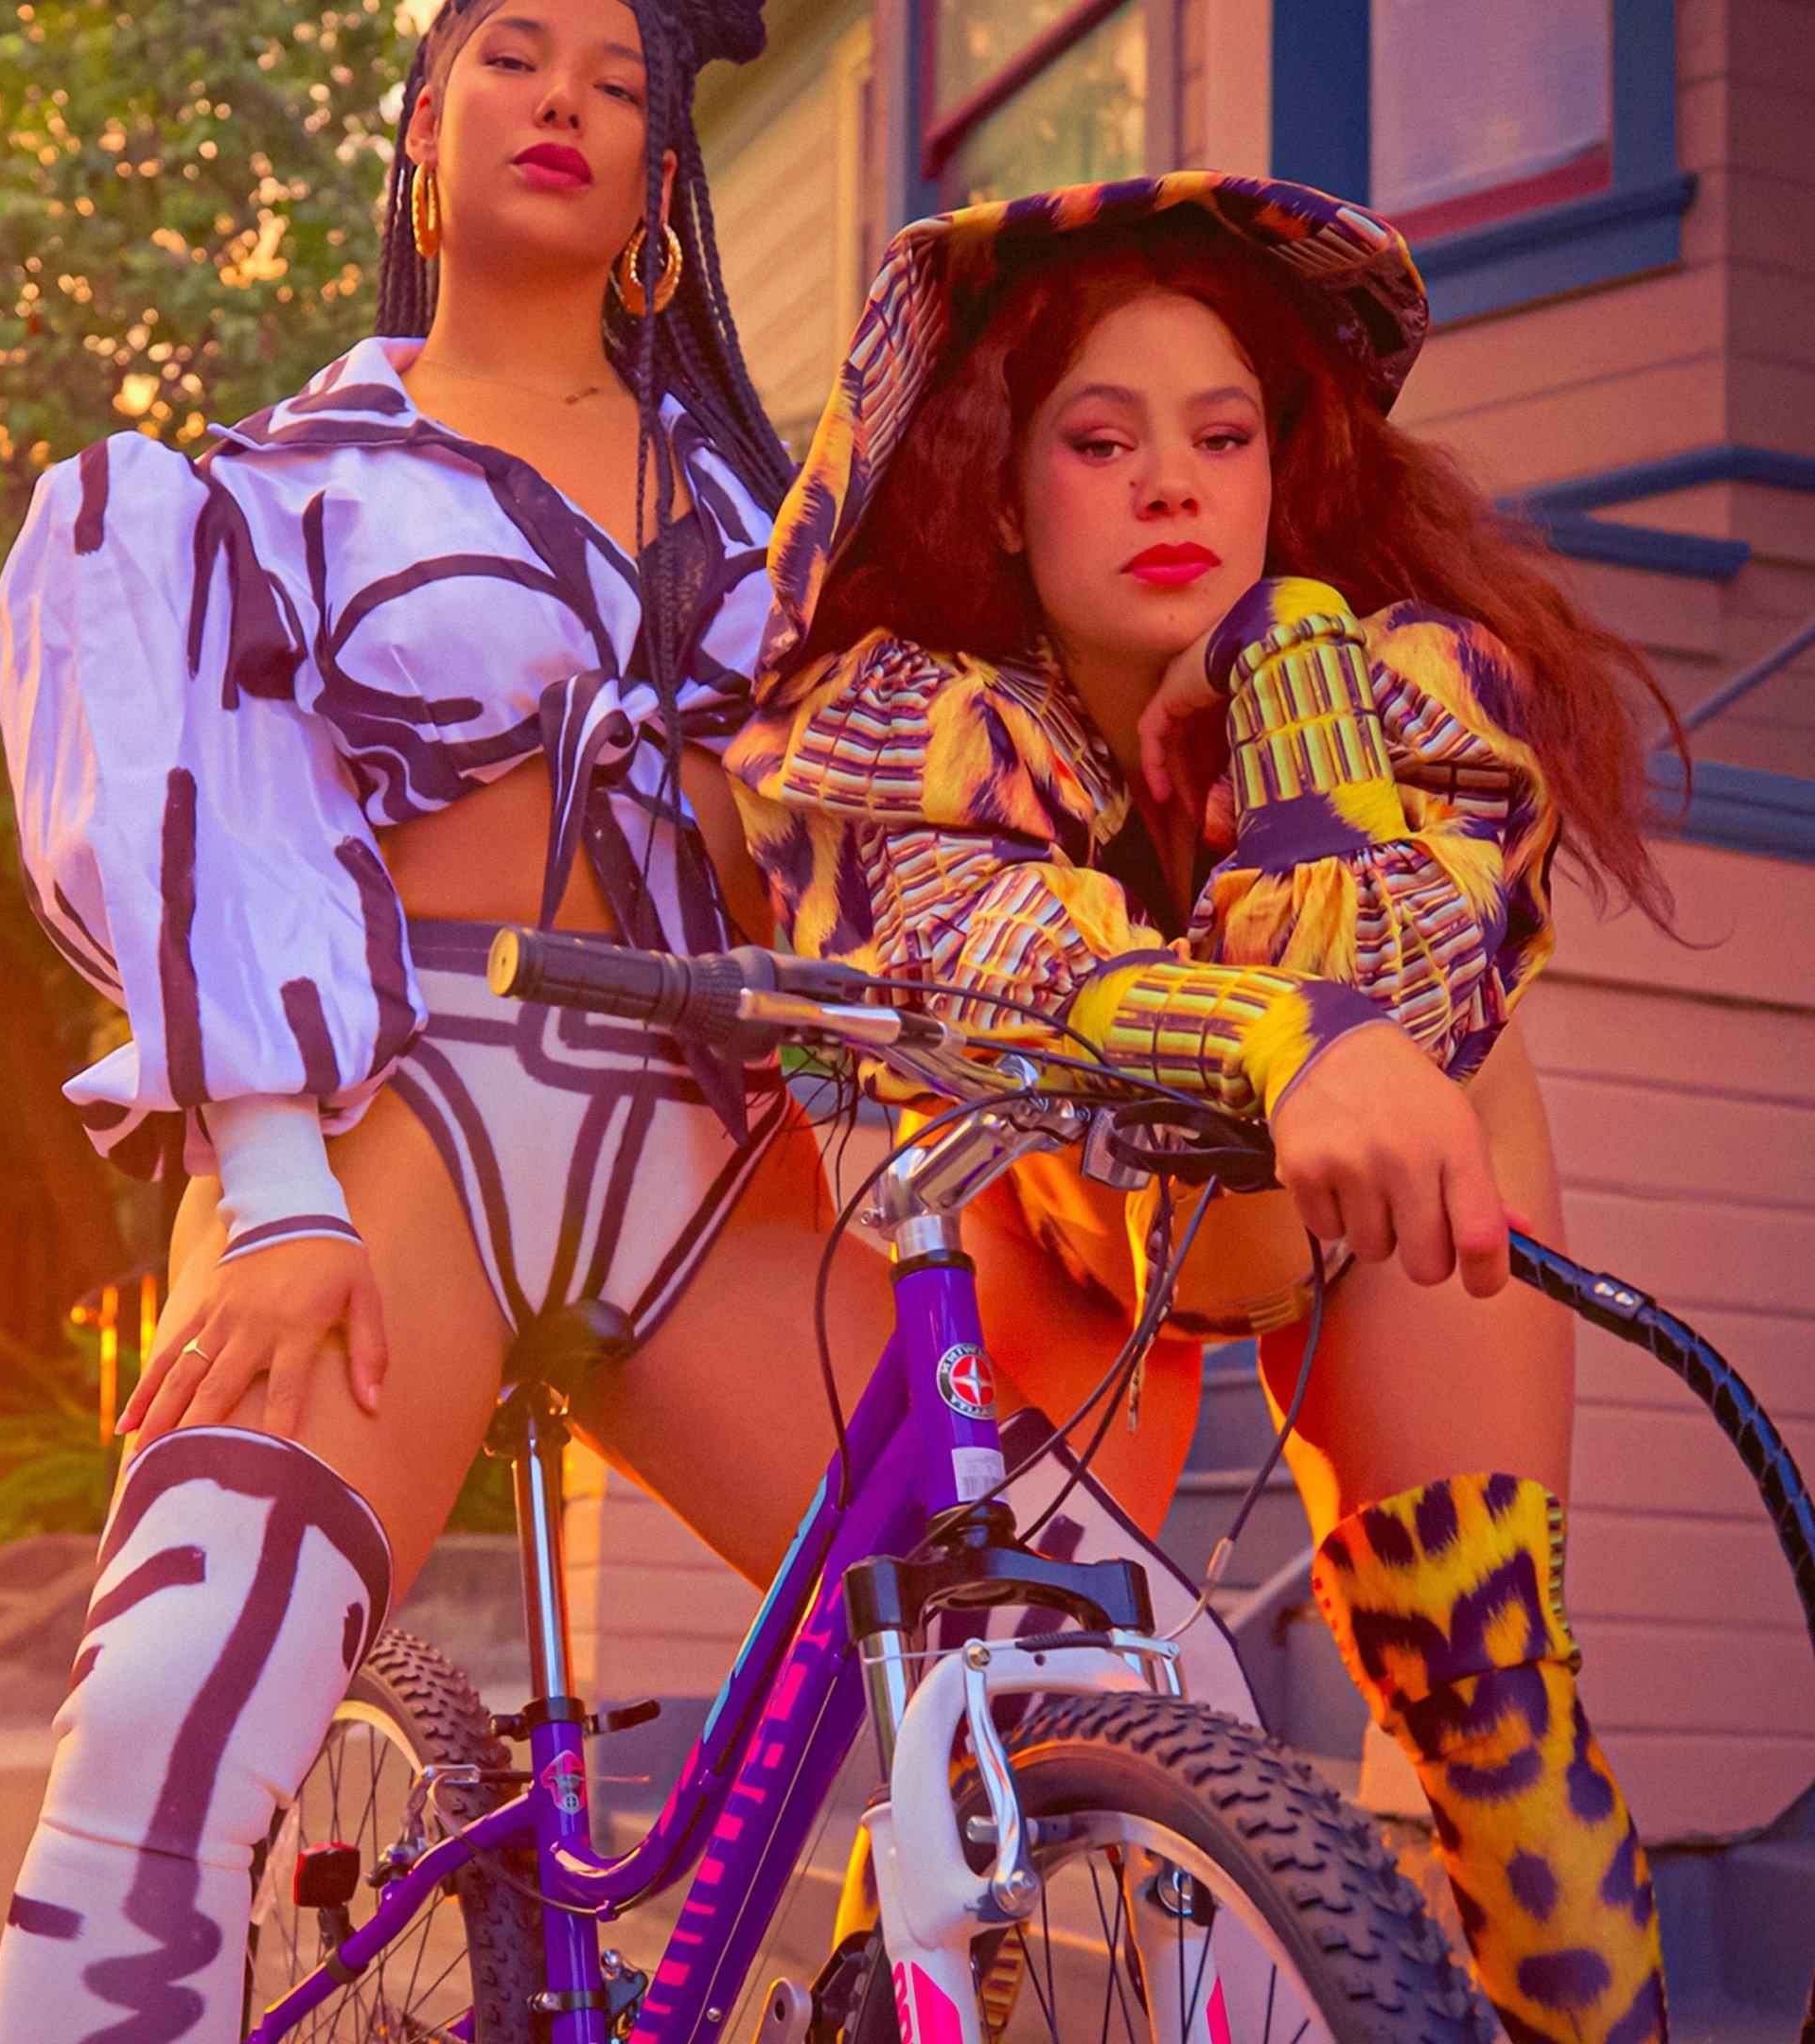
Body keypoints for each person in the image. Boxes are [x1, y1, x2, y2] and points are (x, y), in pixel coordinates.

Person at [729, 175, 1679, 2044]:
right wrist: (1279, 1037)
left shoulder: (1410, 686)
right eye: (1102, 441)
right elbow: (986, 946)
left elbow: (1404, 979)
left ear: (1280, 471)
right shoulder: (913, 718)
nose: (1171, 484)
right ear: (1005, 490)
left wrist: (1289, 670)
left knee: (1499, 1710)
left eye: (1223, 438)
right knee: (993, 1710)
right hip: (1058, 1205)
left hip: (1379, 1213)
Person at [0, 2, 816, 2035]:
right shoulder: (271, 488)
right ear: (424, 128)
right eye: (516, 55)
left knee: (1091, 1636)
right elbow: (205, 821)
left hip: (706, 1150)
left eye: (621, 83)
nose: (567, 100)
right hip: (393, 1122)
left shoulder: (780, 509)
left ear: (664, 181)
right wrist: (274, 1189)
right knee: (173, 1707)